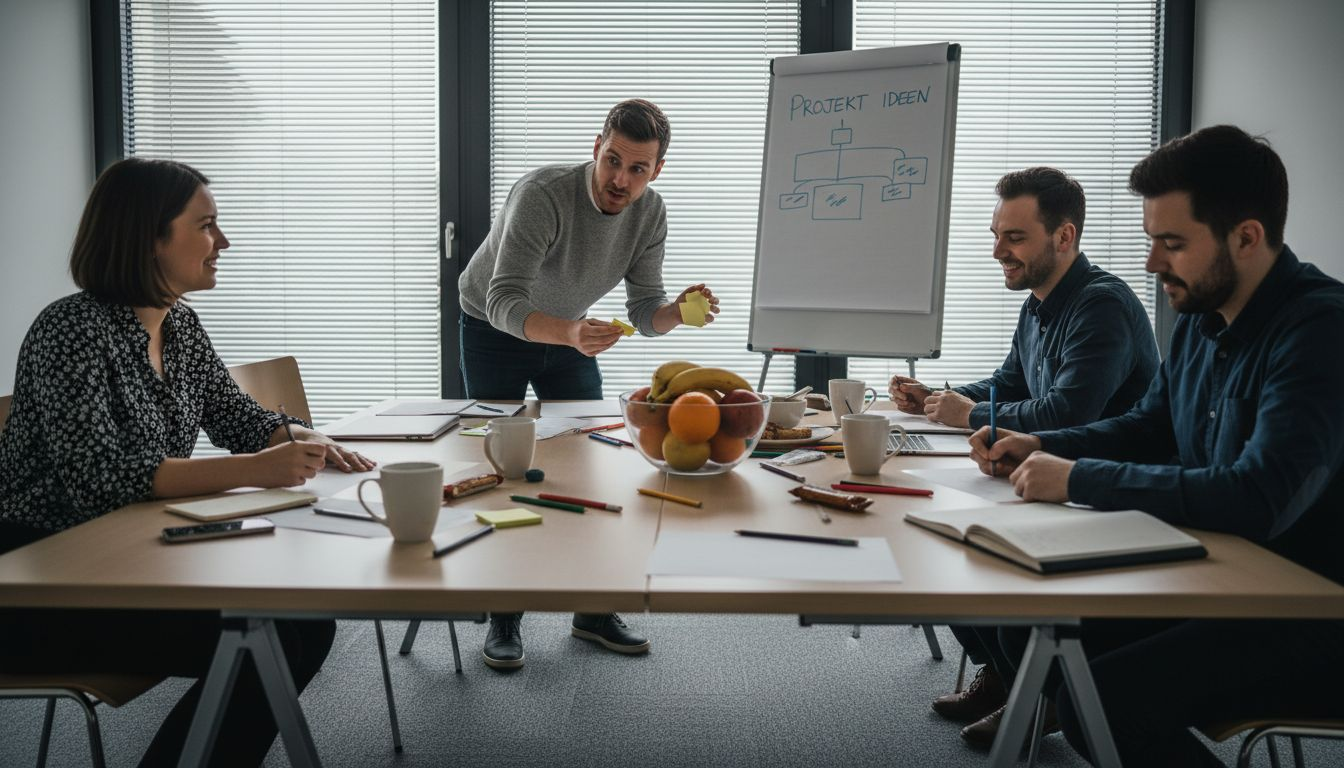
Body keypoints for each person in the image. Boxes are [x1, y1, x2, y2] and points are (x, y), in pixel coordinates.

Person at [971, 125, 1344, 766]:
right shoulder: (1202, 315)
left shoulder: (1320, 331)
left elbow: (1258, 496)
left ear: (1247, 237)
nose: (1151, 263)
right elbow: (1149, 427)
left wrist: (1079, 478)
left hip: (1307, 606)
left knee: (1103, 702)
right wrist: (1038, 442)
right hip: (1216, 571)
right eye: (1151, 241)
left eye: (1171, 244)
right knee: (1033, 633)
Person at [0, 157, 374, 766]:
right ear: (149, 237)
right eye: (206, 226)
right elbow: (105, 480)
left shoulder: (180, 325)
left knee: (307, 625)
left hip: (127, 559)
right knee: (268, 638)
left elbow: (237, 418)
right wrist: (261, 468)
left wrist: (306, 436)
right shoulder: (68, 331)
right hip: (40, 579)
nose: (222, 241)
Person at [892, 168, 1159, 746]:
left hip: (1098, 493)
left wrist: (972, 415)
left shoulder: (1101, 306)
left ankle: (1040, 692)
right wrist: (938, 396)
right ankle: (1010, 675)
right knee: (943, 538)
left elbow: (1070, 411)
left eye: (1013, 238)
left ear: (1063, 238)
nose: (997, 251)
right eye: (996, 235)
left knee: (972, 552)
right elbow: (1008, 384)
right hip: (1036, 477)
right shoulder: (1037, 304)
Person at [458, 99, 717, 670]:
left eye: (637, 169)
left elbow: (644, 309)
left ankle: (593, 611)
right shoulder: (543, 194)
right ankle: (505, 613)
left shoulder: (650, 215)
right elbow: (504, 299)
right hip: (492, 325)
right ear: (595, 147)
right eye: (612, 161)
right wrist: (571, 331)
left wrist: (676, 312)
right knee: (509, 469)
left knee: (588, 462)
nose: (619, 180)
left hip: (569, 334)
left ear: (657, 171)